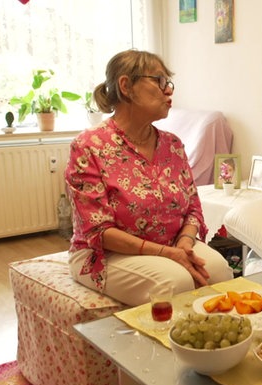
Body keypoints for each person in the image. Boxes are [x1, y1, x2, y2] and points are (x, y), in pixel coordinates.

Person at [65, 49, 232, 306]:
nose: (169, 91)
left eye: (169, 83)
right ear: (126, 86)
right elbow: (99, 231)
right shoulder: (89, 145)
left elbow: (193, 209)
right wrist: (168, 254)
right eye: (159, 81)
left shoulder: (172, 144)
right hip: (106, 253)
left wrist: (185, 244)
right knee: (175, 283)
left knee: (220, 272)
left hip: (173, 245)